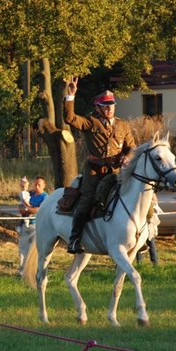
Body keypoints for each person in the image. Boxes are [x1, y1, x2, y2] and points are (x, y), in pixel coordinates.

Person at [64, 77, 136, 254]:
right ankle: (74, 239)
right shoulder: (90, 122)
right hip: (95, 170)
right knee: (87, 198)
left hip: (117, 171)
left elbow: (132, 147)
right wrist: (70, 96)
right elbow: (70, 118)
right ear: (97, 108)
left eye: (111, 104)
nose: (109, 108)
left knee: (136, 194)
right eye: (105, 105)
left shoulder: (123, 125)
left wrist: (127, 157)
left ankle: (143, 236)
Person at [17, 176, 48, 275]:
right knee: (22, 249)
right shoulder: (29, 194)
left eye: (39, 184)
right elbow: (21, 207)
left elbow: (38, 210)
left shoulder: (45, 197)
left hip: (36, 227)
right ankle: (22, 272)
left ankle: (34, 272)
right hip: (24, 225)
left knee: (34, 251)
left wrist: (27, 209)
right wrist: (25, 208)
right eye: (35, 184)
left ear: (44, 186)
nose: (37, 186)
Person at [137, 193, 161, 266]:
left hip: (148, 225)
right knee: (140, 244)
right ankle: (140, 263)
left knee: (151, 243)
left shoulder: (150, 194)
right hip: (140, 224)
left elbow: (154, 206)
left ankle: (155, 262)